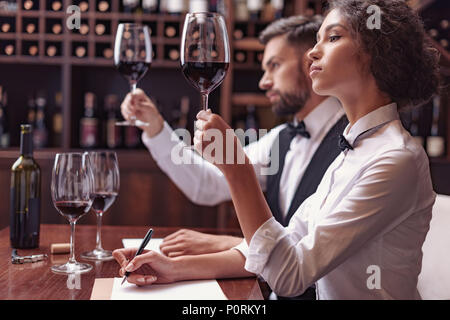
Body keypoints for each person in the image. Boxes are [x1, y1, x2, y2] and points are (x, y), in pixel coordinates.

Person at [113, 0, 440, 299]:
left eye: (333, 37)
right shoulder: (354, 151)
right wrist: (170, 268)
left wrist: (236, 165)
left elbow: (289, 275)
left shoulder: (395, 159)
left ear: (376, 54)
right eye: (316, 40)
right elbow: (286, 243)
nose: (313, 52)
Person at [121, 14, 346, 281]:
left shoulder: (354, 143)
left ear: (312, 62)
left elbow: (311, 255)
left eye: (274, 65)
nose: (264, 82)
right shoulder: (280, 138)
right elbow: (207, 184)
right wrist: (156, 128)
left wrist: (226, 243)